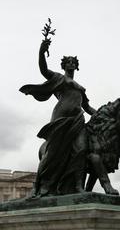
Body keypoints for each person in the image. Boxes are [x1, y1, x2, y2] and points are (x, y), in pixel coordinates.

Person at [20, 39, 96, 196]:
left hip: (78, 120)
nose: (71, 63)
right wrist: (42, 51)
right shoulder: (59, 78)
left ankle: (77, 186)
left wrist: (103, 114)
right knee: (52, 153)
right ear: (64, 65)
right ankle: (38, 184)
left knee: (81, 149)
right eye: (68, 62)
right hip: (61, 119)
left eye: (73, 62)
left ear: (76, 65)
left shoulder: (80, 89)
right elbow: (44, 70)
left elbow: (87, 108)